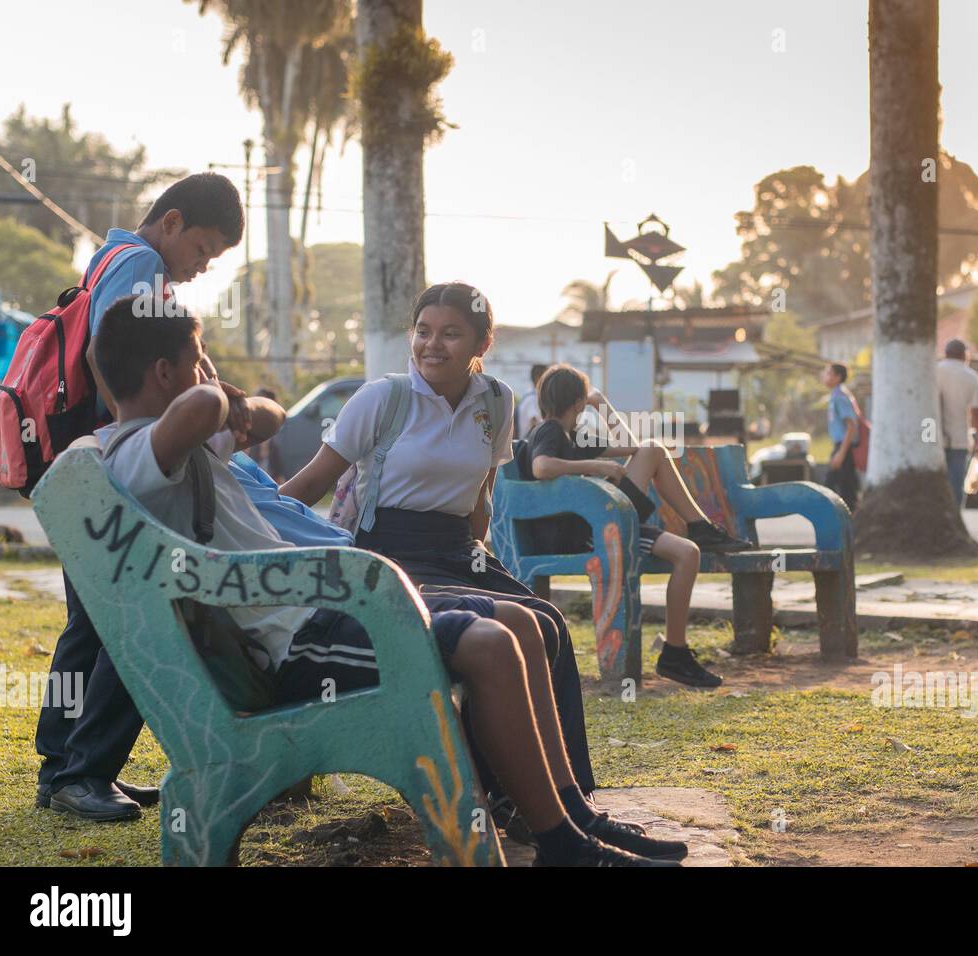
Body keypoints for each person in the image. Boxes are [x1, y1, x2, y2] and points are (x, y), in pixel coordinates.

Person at [88, 296, 680, 866]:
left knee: (525, 622)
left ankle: (571, 819)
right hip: (294, 641)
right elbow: (199, 412)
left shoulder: (183, 447)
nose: (208, 375)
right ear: (166, 374)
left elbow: (264, 416)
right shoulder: (139, 456)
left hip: (322, 609)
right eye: (198, 363)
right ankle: (562, 843)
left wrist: (228, 399)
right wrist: (213, 393)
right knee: (493, 644)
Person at [280, 283, 602, 826]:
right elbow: (310, 483)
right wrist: (249, 533)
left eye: (451, 334)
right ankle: (512, 796)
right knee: (511, 627)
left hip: (459, 550)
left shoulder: (496, 401)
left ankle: (569, 798)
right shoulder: (383, 399)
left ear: (482, 341)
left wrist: (487, 559)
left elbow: (482, 494)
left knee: (549, 622)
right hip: (390, 553)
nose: (433, 345)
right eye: (423, 331)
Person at [34, 173, 246, 821]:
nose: (202, 268)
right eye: (204, 251)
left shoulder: (110, 256)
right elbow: (112, 351)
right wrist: (143, 424)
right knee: (139, 618)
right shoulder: (144, 264)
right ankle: (83, 770)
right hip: (117, 468)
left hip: (84, 463)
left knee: (92, 624)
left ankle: (61, 767)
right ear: (173, 222)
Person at [523, 364, 751, 688]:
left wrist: (601, 404)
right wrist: (595, 465)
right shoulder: (549, 431)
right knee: (655, 449)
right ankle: (698, 524)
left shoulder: (573, 436)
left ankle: (675, 653)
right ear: (577, 403)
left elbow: (632, 445)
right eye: (585, 400)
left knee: (688, 553)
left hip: (604, 524)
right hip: (593, 534)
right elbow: (541, 466)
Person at [936, 338, 978, 507]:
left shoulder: (933, 371)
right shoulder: (971, 376)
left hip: (932, 439)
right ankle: (954, 519)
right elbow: (977, 414)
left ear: (946, 353)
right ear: (964, 355)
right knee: (955, 486)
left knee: (934, 484)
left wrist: (924, 439)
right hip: (959, 441)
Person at [822, 362, 860, 511]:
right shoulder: (835, 396)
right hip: (840, 447)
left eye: (829, 374)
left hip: (844, 446)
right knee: (846, 487)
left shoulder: (840, 397)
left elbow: (851, 426)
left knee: (833, 486)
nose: (825, 377)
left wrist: (841, 453)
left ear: (838, 377)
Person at [516, 363, 547, 438]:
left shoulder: (527, 395)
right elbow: (535, 421)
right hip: (530, 446)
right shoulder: (534, 399)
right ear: (538, 378)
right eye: (547, 377)